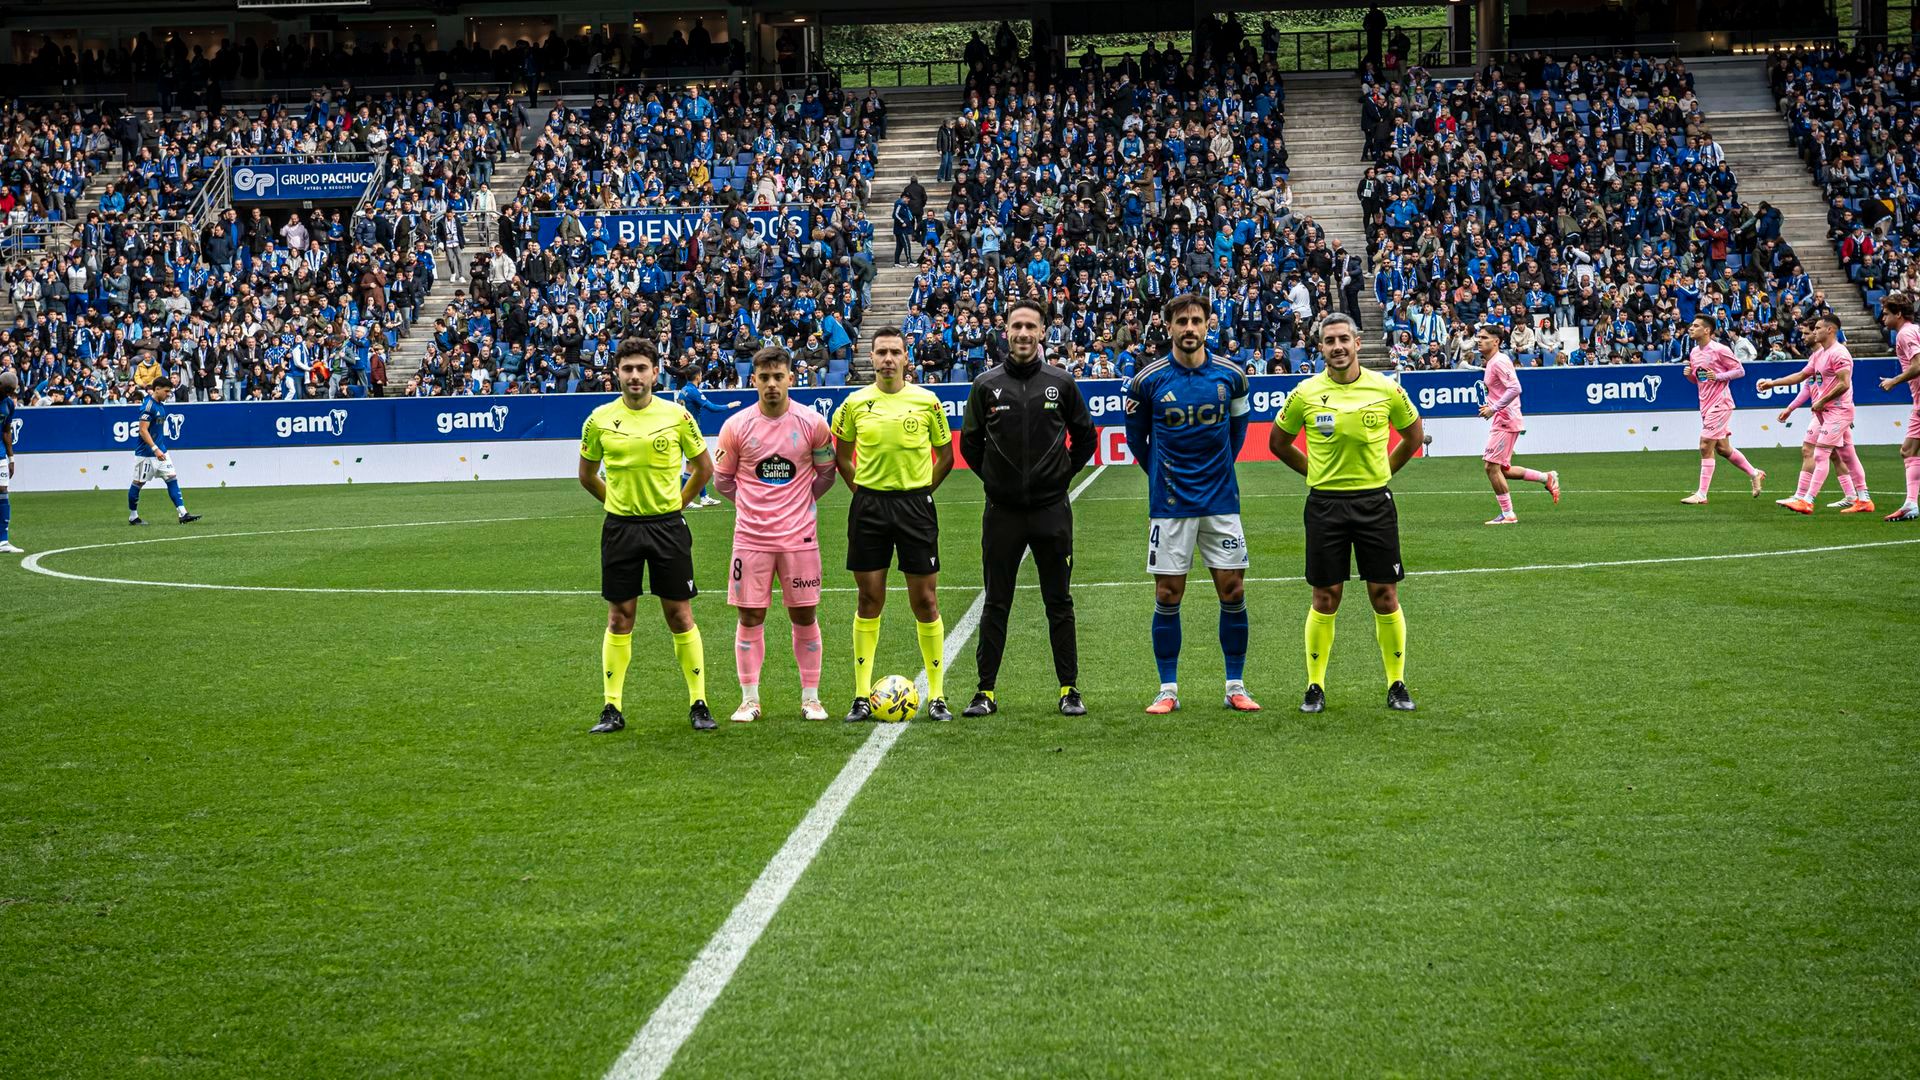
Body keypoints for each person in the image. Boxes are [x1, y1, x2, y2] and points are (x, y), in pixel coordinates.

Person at [1271, 313, 1424, 713]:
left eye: (1344, 339)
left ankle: (1397, 683)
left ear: (1358, 342)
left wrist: (1385, 471)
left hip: (1375, 503)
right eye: (1329, 341)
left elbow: (1414, 436)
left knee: (1384, 594)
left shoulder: (1386, 388)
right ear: (1319, 347)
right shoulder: (1304, 392)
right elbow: (1278, 442)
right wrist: (1314, 472)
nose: (1337, 347)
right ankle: (1315, 686)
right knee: (1325, 596)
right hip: (1325, 505)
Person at [958, 300, 1098, 718]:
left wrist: (1059, 479)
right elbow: (970, 445)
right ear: (1006, 330)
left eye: (1030, 327)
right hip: (1002, 512)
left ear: (1042, 333)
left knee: (1059, 601)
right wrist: (997, 481)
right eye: (1016, 326)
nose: (1022, 333)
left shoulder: (1062, 382)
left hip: (1051, 511)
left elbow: (1085, 440)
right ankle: (985, 691)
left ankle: (1070, 689)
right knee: (996, 601)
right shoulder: (985, 384)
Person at [1123, 293, 1260, 715]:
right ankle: (1167, 689)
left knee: (1232, 589)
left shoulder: (1232, 376)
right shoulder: (1146, 381)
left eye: (1196, 320)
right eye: (1180, 321)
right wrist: (1165, 479)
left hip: (1221, 501)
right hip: (1170, 505)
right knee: (1168, 593)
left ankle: (1235, 684)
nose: (1189, 328)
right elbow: (1136, 440)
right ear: (1168, 327)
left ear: (1208, 325)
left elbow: (1237, 433)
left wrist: (1217, 471)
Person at [578, 338, 716, 733]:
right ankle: (611, 707)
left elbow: (703, 468)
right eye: (627, 369)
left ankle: (699, 702)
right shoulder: (599, 419)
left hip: (667, 527)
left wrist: (679, 504)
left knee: (679, 614)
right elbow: (587, 476)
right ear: (617, 373)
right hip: (620, 529)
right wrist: (616, 503)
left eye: (642, 368)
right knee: (620, 617)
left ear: (655, 372)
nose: (635, 376)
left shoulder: (678, 416)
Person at [831, 327, 956, 723]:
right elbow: (843, 456)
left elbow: (945, 456)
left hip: (915, 507)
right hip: (869, 506)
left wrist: (920, 493)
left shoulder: (927, 401)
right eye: (881, 352)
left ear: (907, 358)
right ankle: (860, 695)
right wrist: (863, 492)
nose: (888, 358)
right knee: (869, 599)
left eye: (895, 352)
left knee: (926, 600)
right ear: (871, 357)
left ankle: (936, 695)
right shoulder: (854, 404)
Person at [712, 346, 838, 723]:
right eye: (764, 377)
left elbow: (827, 474)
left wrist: (800, 504)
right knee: (750, 617)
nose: (771, 384)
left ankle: (811, 698)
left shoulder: (813, 423)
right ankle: (749, 699)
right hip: (751, 539)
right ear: (753, 380)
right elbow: (722, 480)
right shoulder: (736, 426)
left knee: (804, 614)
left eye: (777, 377)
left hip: (800, 538)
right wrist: (753, 507)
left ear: (790, 379)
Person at [1761, 314, 1860, 514]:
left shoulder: (1834, 353)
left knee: (1819, 452)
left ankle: (1806, 498)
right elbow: (1805, 384)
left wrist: (1827, 405)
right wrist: (1783, 397)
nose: (1806, 336)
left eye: (1810, 331)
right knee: (1834, 454)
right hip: (1822, 411)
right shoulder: (1817, 356)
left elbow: (1842, 383)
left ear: (1823, 331)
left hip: (1833, 411)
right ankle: (1851, 495)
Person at [1472, 324, 1560, 525]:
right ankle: (1546, 478)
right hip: (1504, 417)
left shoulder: (1499, 362)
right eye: (1478, 337)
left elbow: (1515, 388)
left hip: (1505, 418)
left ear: (1496, 342)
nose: (1479, 340)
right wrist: (1493, 405)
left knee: (1490, 466)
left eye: (1484, 337)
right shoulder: (1494, 361)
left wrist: (1493, 407)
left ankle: (1508, 514)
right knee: (1502, 469)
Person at [1680, 315, 1766, 504]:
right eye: (1691, 326)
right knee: (1723, 448)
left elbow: (1740, 370)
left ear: (1707, 330)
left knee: (1705, 445)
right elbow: (1700, 379)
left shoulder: (1720, 349)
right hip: (1705, 404)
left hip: (1721, 403)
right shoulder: (1694, 352)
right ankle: (1755, 473)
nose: (1691, 329)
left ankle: (1701, 495)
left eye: (1696, 326)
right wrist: (1690, 376)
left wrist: (1718, 376)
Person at [127, 377, 201, 527]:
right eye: (166, 391)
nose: (168, 394)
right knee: (138, 483)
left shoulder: (161, 405)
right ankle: (133, 516)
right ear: (157, 389)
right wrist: (155, 449)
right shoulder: (148, 406)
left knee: (172, 478)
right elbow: (142, 430)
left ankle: (183, 514)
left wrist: (160, 449)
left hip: (162, 451)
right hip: (146, 454)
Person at [1877, 291, 1920, 521]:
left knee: (1908, 450)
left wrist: (1894, 381)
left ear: (1899, 314)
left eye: (1886, 314)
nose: (1883, 318)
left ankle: (1911, 503)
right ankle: (1911, 503)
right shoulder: (1913, 331)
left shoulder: (1905, 334)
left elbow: (1918, 365)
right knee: (1908, 450)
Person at [675, 363, 740, 507]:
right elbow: (712, 407)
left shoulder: (683, 390)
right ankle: (688, 498)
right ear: (697, 376)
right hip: (692, 431)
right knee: (702, 465)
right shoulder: (693, 392)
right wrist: (729, 406)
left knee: (692, 465)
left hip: (685, 430)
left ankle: (701, 496)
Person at [0, 369, 20, 553]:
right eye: (6, 390)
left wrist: (11, 457)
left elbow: (6, 430)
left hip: (0, 455)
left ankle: (3, 541)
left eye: (10, 392)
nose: (8, 395)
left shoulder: (8, 405)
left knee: (3, 491)